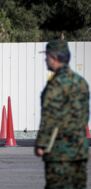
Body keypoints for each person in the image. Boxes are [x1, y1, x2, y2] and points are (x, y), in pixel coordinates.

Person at [35, 39, 90, 188]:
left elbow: (49, 117)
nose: (45, 60)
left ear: (55, 58)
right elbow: (85, 115)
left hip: (60, 152)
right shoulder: (81, 82)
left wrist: (41, 143)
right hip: (80, 150)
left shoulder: (56, 84)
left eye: (46, 56)